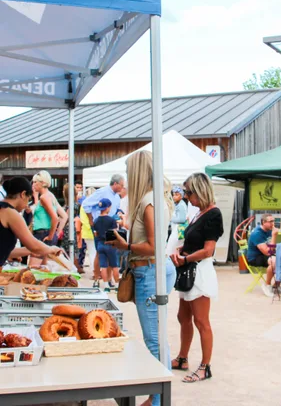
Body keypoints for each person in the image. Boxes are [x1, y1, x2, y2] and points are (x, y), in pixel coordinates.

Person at [106, 150, 176, 406]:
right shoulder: (156, 198)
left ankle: (158, 399)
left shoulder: (148, 201)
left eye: (127, 172)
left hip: (149, 270)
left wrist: (127, 247)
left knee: (154, 339)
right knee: (158, 336)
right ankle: (157, 396)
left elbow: (154, 246)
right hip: (153, 270)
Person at [170, 172, 223, 383]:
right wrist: (181, 250)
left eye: (188, 192)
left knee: (201, 321)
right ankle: (183, 358)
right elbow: (195, 242)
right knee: (183, 317)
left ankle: (205, 366)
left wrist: (186, 258)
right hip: (189, 268)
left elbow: (208, 250)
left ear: (199, 191)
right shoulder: (199, 213)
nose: (186, 196)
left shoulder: (213, 214)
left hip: (199, 271)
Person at [0, 176, 61, 266]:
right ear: (23, 194)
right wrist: (51, 249)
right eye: (28, 199)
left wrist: (30, 250)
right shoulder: (11, 213)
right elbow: (33, 245)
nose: (26, 206)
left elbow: (5, 250)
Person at [82, 175, 125, 287]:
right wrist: (91, 220)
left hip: (111, 225)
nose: (123, 188)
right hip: (101, 224)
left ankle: (109, 279)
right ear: (115, 184)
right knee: (99, 253)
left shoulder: (116, 196)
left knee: (111, 251)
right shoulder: (103, 192)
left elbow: (115, 210)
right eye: (121, 185)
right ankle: (96, 278)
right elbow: (86, 204)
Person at [30, 170, 68, 268]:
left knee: (33, 268)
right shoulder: (51, 196)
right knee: (45, 268)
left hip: (42, 234)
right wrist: (56, 233)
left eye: (35, 182)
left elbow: (55, 218)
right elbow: (64, 216)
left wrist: (51, 235)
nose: (33, 184)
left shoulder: (43, 197)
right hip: (47, 234)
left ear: (42, 183)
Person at [247, 214, 278, 298]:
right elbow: (268, 252)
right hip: (255, 258)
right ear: (264, 222)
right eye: (270, 221)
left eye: (273, 221)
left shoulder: (268, 230)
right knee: (273, 261)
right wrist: (274, 236)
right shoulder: (257, 233)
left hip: (265, 255)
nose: (273, 223)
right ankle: (267, 285)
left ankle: (276, 285)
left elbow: (272, 248)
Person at [93, 198, 119, 288]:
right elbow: (115, 233)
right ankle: (117, 284)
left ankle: (105, 285)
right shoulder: (111, 220)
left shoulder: (96, 220)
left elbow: (95, 233)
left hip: (100, 244)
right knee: (114, 265)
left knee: (103, 265)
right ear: (108, 208)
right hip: (110, 244)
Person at [166, 186, 188, 255]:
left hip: (178, 231)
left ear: (181, 196)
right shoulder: (177, 204)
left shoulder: (181, 205)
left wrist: (170, 219)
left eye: (176, 195)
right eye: (173, 194)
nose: (174, 197)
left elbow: (181, 219)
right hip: (175, 230)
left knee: (170, 249)